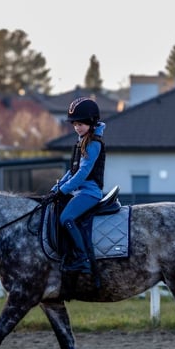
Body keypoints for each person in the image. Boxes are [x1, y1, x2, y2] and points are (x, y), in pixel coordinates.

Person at [48, 97, 107, 274]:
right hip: (79, 192)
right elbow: (72, 171)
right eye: (75, 124)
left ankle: (83, 259)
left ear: (91, 122)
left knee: (66, 218)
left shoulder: (93, 144)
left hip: (90, 193)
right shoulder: (82, 141)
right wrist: (56, 188)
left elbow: (82, 173)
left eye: (81, 124)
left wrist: (64, 190)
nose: (77, 127)